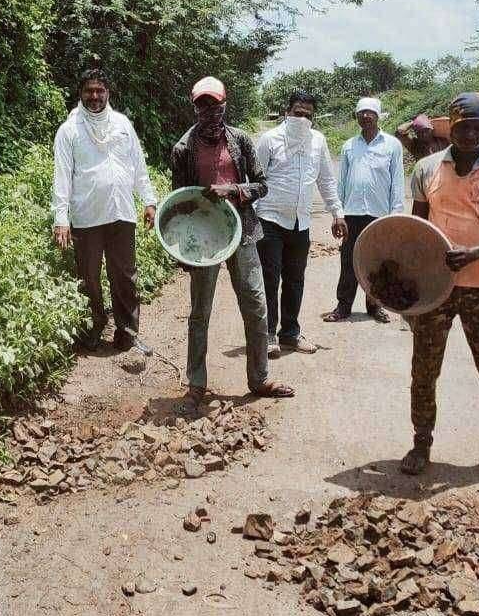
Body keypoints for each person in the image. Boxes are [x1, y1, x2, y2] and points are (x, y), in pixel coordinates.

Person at [403, 92, 479, 483]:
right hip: (436, 288)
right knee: (424, 369)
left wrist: (474, 253)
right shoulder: (426, 170)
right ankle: (421, 443)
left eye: (478, 128)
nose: (471, 134)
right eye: (463, 127)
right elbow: (415, 231)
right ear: (450, 129)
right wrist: (410, 288)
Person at [169, 76, 295, 409]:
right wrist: (180, 248)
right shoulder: (183, 148)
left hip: (243, 231)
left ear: (225, 105)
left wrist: (235, 190)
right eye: (202, 105)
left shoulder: (240, 141)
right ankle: (196, 384)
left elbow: (262, 185)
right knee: (200, 312)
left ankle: (260, 378)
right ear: (194, 107)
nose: (208, 111)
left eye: (214, 104)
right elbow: (179, 201)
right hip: (204, 239)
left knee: (255, 304)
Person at [51, 69, 157, 351]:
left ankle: (127, 334)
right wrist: (61, 219)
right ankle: (93, 329)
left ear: (108, 93)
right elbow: (61, 176)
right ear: (80, 93)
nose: (95, 96)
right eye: (89, 90)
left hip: (121, 212)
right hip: (86, 216)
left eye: (100, 90)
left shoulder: (122, 124)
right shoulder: (69, 130)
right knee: (88, 277)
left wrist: (149, 200)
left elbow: (138, 165)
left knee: (125, 276)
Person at [254, 90, 346, 357]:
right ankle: (268, 335)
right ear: (287, 111)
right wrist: (249, 220)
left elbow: (326, 180)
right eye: (297, 113)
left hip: (300, 222)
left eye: (307, 115)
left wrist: (337, 213)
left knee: (295, 280)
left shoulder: (317, 141)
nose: (302, 118)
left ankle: (290, 333)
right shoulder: (269, 139)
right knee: (269, 280)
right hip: (270, 219)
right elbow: (255, 180)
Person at [322, 96, 405, 324]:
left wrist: (395, 218)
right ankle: (343, 306)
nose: (366, 116)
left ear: (378, 116)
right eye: (361, 113)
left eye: (370, 113)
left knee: (378, 261)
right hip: (352, 213)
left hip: (380, 215)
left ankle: (375, 305)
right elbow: (342, 183)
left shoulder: (392, 145)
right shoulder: (349, 145)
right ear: (357, 117)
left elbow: (397, 184)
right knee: (349, 260)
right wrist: (338, 214)